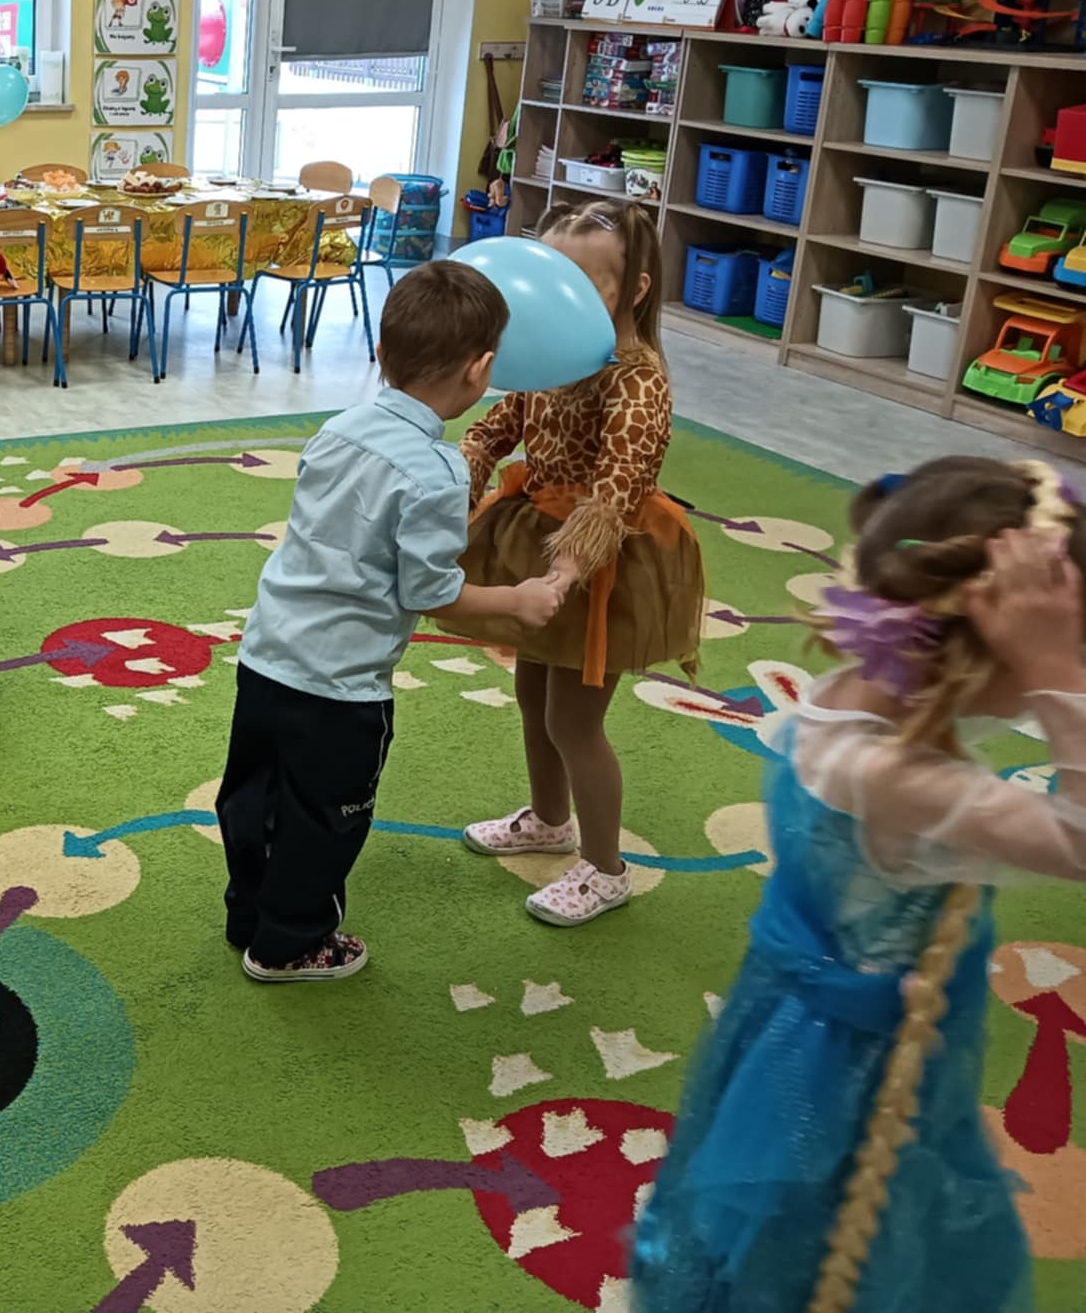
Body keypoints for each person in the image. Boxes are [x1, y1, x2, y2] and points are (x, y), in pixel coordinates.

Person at [631, 458, 1086, 1313]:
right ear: (979, 646)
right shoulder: (899, 780)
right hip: (848, 1068)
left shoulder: (840, 701)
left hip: (789, 1020)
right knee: (826, 1247)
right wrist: (1058, 670)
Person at [221, 263, 566, 982]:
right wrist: (517, 601)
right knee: (329, 816)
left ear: (381, 353)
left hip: (267, 654)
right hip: (341, 687)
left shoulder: (338, 428)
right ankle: (290, 944)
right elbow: (431, 592)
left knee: (255, 796)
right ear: (481, 371)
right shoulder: (437, 472)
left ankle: (250, 913)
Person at [438, 198, 704, 927]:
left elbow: (620, 486)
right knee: (533, 697)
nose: (562, 297)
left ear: (635, 290)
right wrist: (463, 467)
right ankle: (550, 821)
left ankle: (607, 869)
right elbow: (501, 423)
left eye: (587, 282)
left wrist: (566, 572)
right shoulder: (555, 354)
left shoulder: (637, 378)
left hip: (602, 562)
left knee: (574, 722)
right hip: (540, 538)